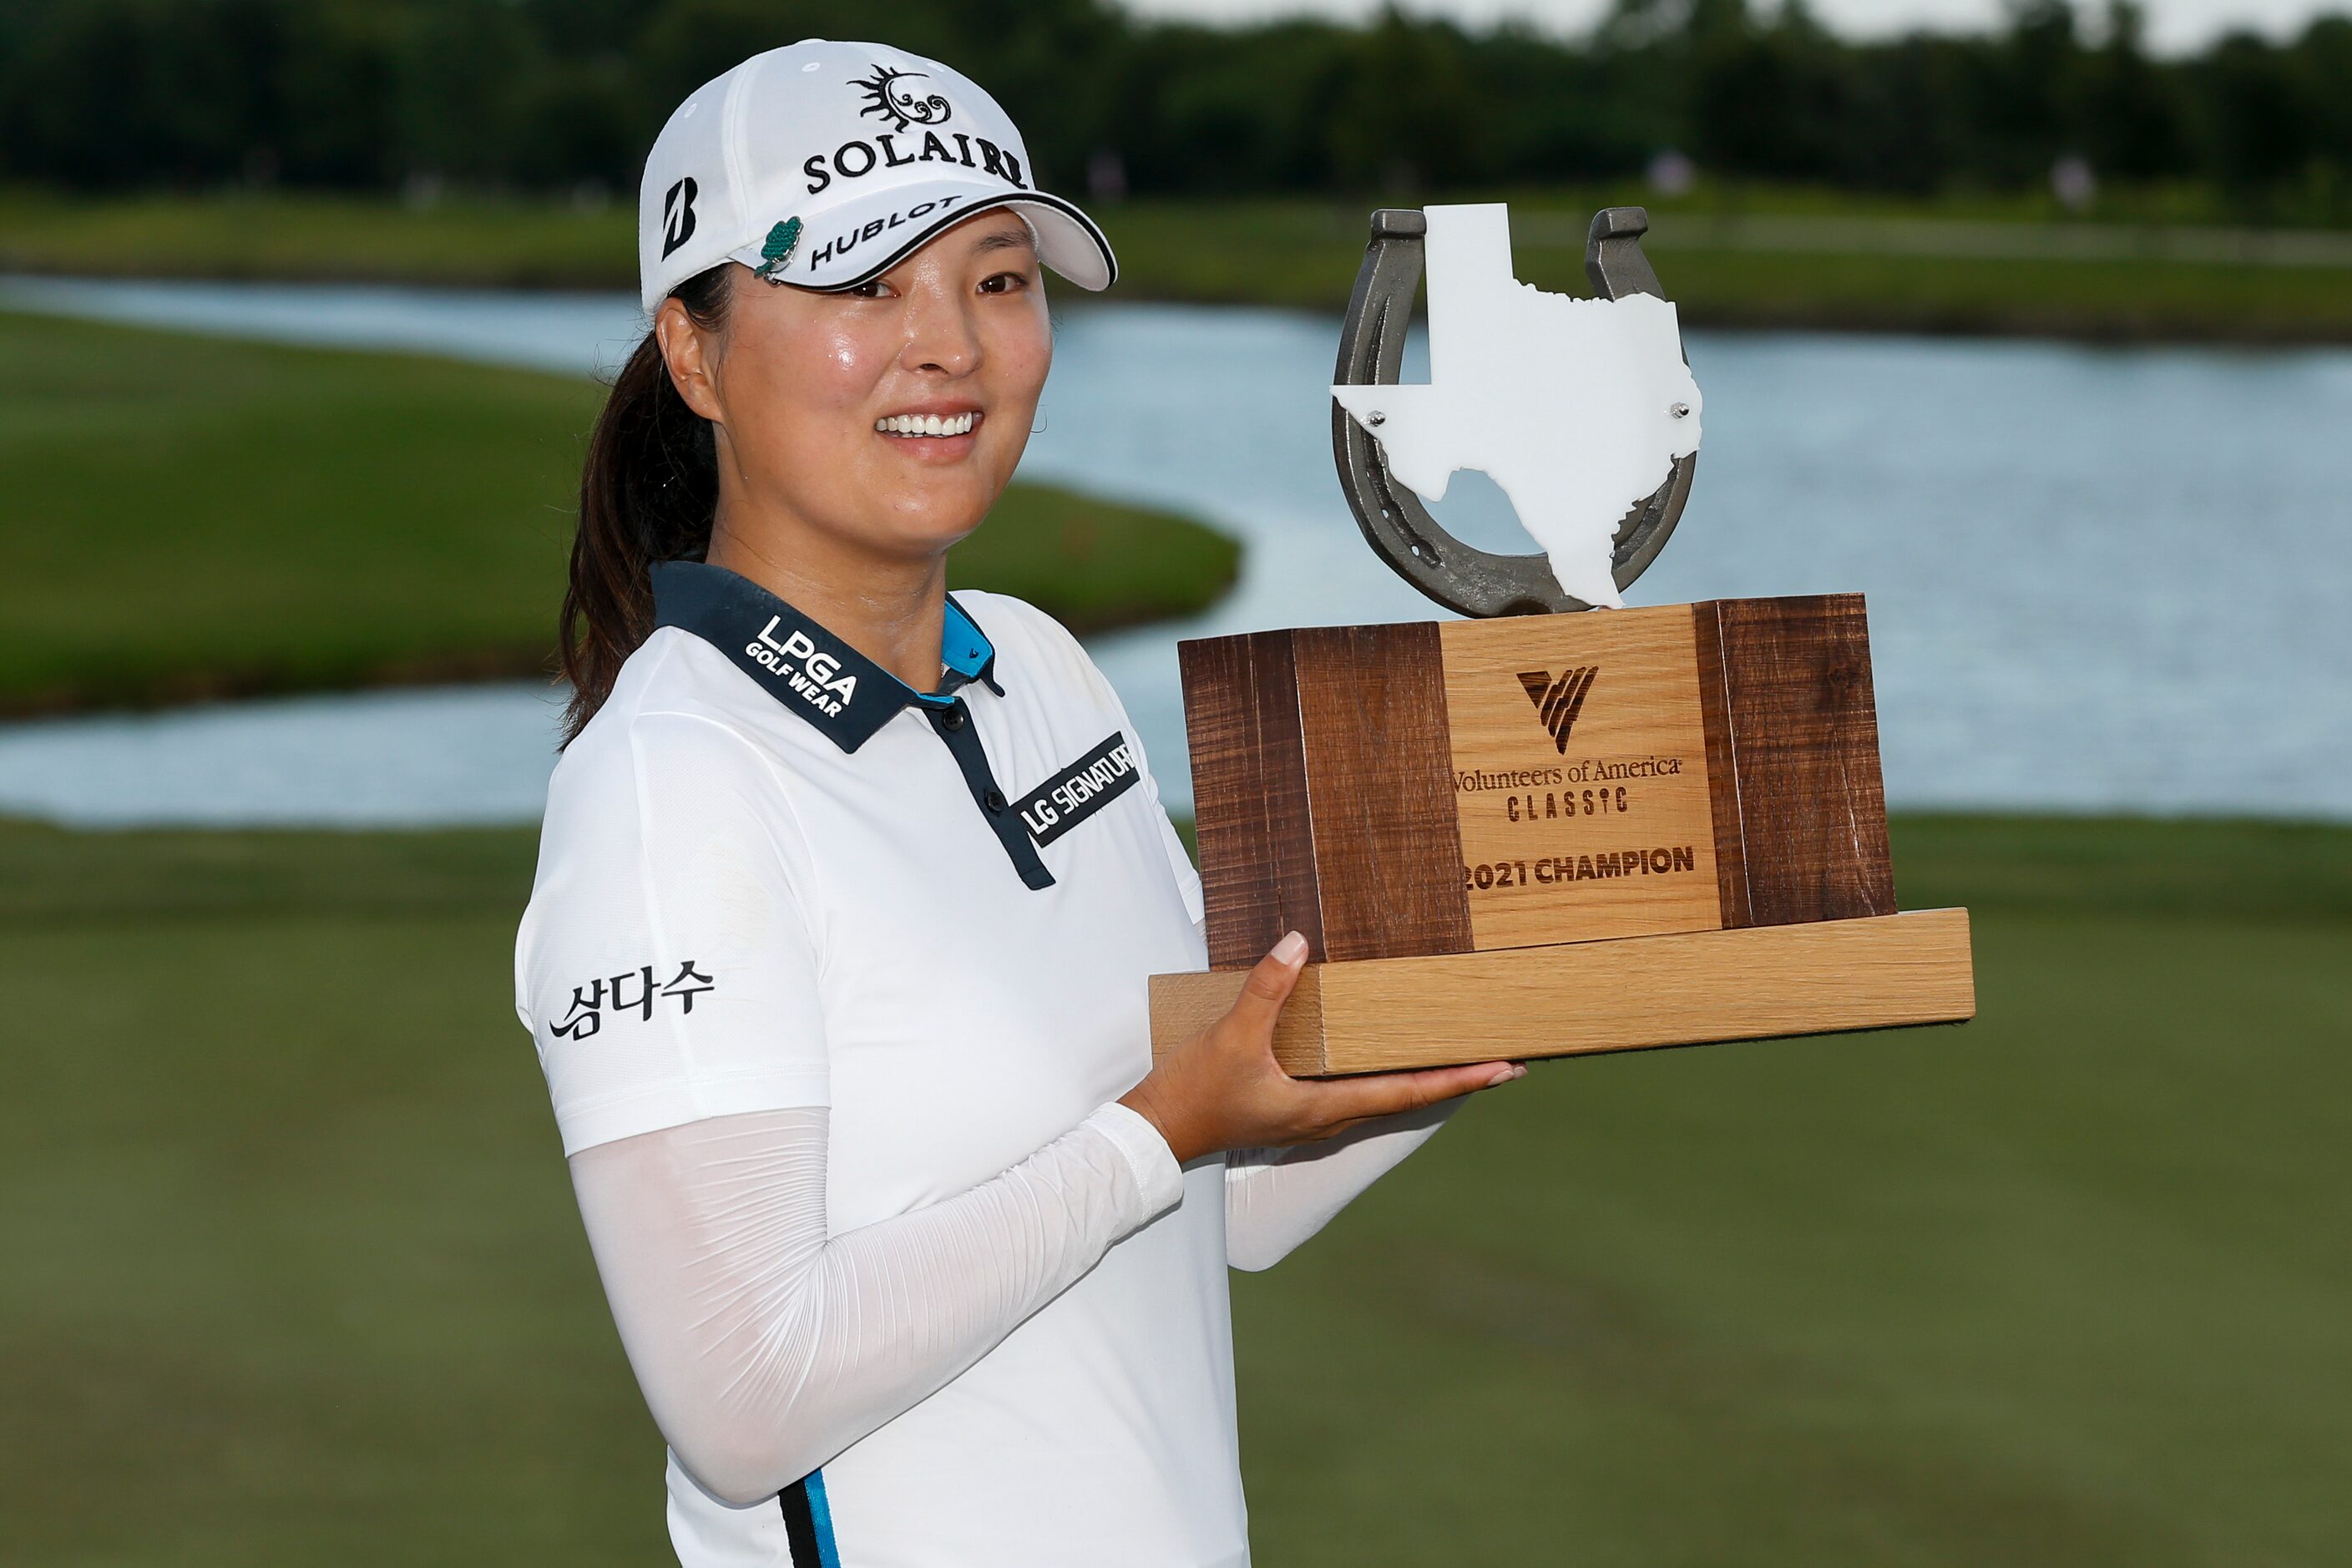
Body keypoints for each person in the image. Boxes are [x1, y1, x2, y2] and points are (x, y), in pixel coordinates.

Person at [513, 39, 1525, 1568]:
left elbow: (1223, 1200)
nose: (950, 348)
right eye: (864, 286)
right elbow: (743, 1398)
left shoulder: (1043, 669)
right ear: (696, 351)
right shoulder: (672, 780)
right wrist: (1158, 1129)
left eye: (995, 280)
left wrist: (1558, 946)